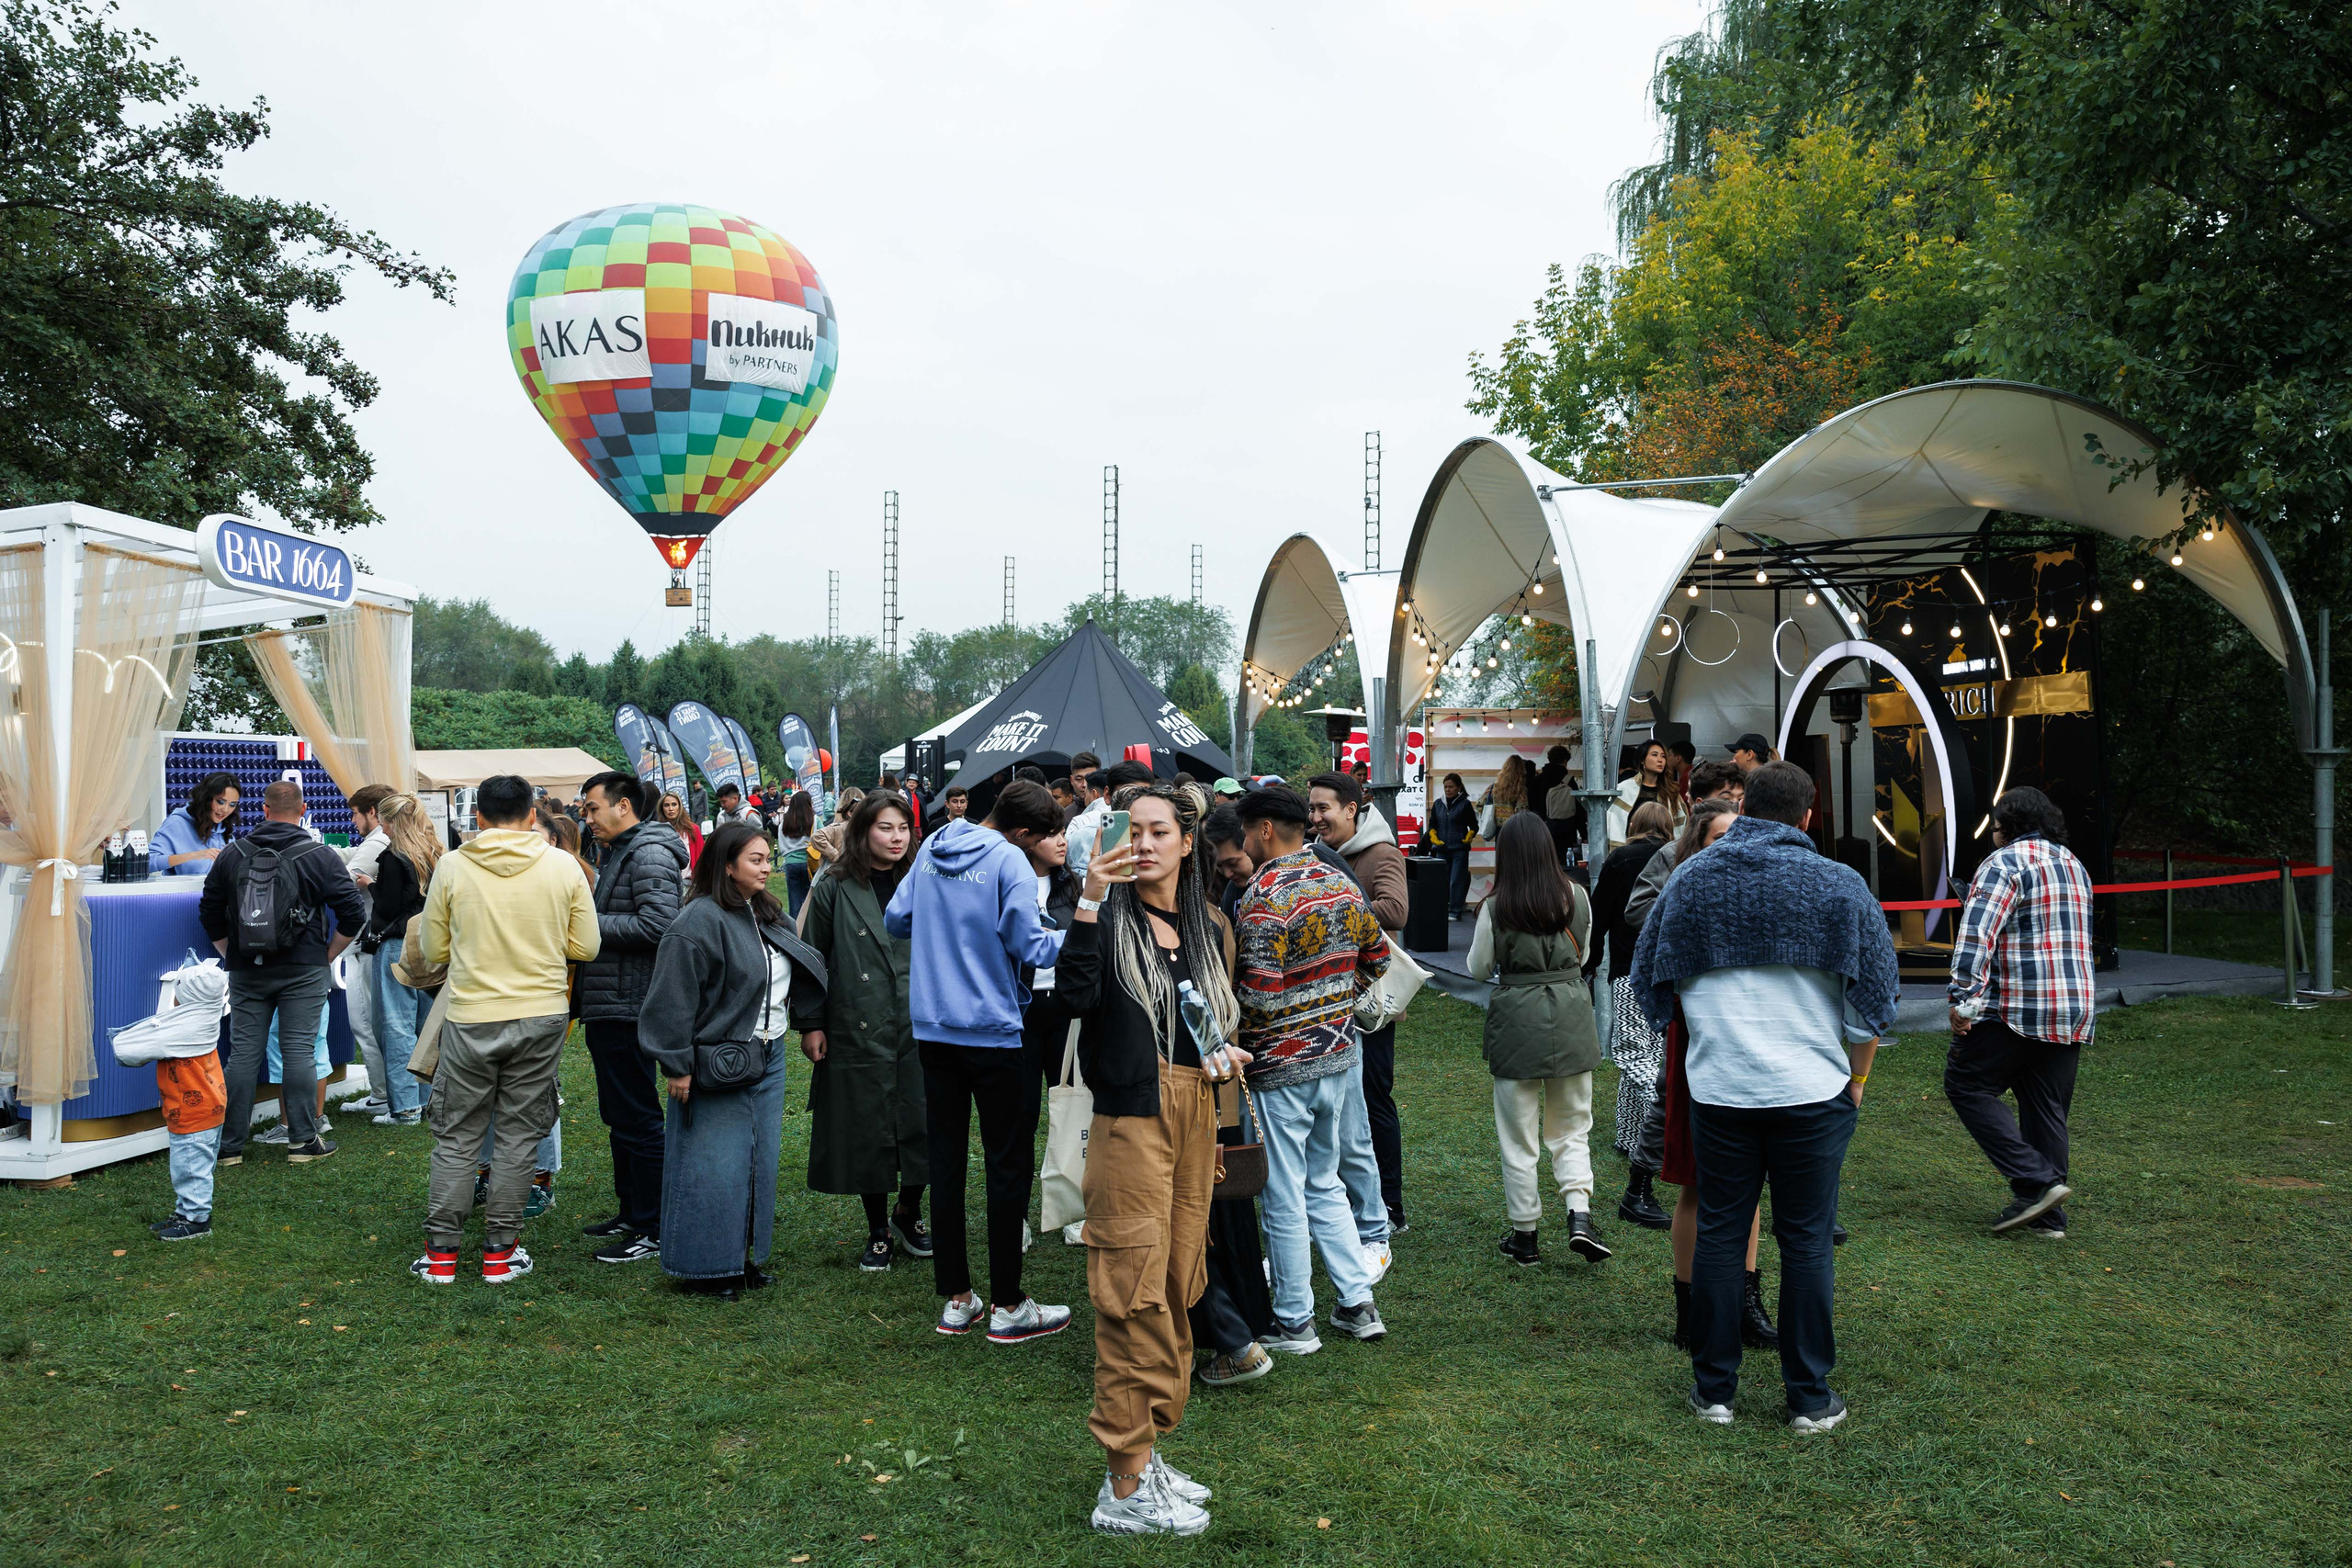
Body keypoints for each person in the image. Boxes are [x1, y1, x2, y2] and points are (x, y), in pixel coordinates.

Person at [1630, 761, 1896, 1432]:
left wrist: (1700, 1021)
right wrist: (1854, 1074)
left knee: (1722, 1229)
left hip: (1720, 1086)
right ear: (1809, 817)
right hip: (1813, 1086)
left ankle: (1713, 1390)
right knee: (1806, 1238)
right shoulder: (1840, 884)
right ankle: (1810, 1397)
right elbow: (1874, 1002)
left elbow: (1647, 980)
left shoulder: (1691, 878)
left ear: (1743, 808)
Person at [1057, 782, 1251, 1536]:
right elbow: (1070, 1000)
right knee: (1132, 1290)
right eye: (1130, 829)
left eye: (1156, 831)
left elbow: (1200, 1020)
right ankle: (1124, 1483)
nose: (1141, 842)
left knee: (1176, 1282)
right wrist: (1086, 899)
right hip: (1132, 1121)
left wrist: (1219, 1051)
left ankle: (1147, 1451)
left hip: (1194, 1112)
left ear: (1184, 842)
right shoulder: (1104, 921)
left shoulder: (1205, 927)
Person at [884, 780, 1071, 1342]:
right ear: (1020, 832)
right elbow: (1032, 945)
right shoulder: (1009, 860)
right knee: (1006, 1164)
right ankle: (1010, 1306)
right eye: (1045, 837)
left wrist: (944, 936)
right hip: (993, 1031)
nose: (1048, 846)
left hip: (935, 1027)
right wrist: (1088, 934)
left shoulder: (936, 844)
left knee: (945, 1161)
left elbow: (897, 919)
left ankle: (958, 1299)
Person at [409, 773, 599, 1286]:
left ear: (478, 817)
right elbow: (586, 947)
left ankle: (441, 1253)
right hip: (541, 1016)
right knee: (518, 1136)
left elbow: (432, 953)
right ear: (533, 815)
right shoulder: (563, 866)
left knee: (457, 1135)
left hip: (471, 1015)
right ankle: (500, 1251)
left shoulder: (451, 865)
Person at [1231, 784, 1390, 1353]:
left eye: (1249, 832)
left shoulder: (1261, 898)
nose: (1246, 842)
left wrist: (1241, 1043)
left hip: (1281, 1067)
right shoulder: (1342, 881)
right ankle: (1356, 1303)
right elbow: (1378, 960)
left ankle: (1295, 1319)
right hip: (1339, 1056)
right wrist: (1334, 1006)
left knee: (1283, 1193)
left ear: (1266, 829)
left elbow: (1259, 1001)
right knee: (1325, 1183)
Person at [639, 822, 826, 1298]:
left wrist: (809, 1023)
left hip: (769, 1054)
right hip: (714, 1060)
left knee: (757, 1161)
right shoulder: (697, 920)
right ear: (727, 865)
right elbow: (670, 999)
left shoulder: (766, 912)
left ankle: (743, 1259)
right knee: (711, 1164)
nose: (768, 867)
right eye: (756, 860)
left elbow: (796, 969)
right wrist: (677, 1064)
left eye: (768, 858)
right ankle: (708, 1268)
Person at [1945, 785, 2092, 1238]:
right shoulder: (2073, 864)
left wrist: (1962, 998)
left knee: (1967, 1084)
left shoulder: (2003, 863)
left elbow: (1977, 935)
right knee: (2045, 1105)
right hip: (2071, 1005)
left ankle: (2037, 1183)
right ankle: (2048, 1218)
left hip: (2017, 1004)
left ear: (2004, 825)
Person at [199, 780, 368, 1168]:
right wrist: (326, 955)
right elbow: (353, 913)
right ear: (303, 810)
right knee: (299, 1053)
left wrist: (233, 953)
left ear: (264, 809)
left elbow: (209, 911)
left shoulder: (232, 853)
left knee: (242, 1056)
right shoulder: (320, 855)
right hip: (303, 968)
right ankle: (302, 1142)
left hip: (247, 969)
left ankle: (229, 1148)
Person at [797, 790, 929, 1271]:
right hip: (856, 1020)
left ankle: (908, 1213)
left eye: (902, 828)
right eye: (884, 828)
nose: (895, 838)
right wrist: (811, 1022)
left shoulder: (925, 878)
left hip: (922, 1021)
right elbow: (813, 957)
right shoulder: (834, 883)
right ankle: (877, 1229)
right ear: (862, 830)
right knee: (865, 1123)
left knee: (923, 1119)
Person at [1471, 811, 1607, 1265]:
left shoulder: (1495, 906)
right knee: (1572, 1128)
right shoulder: (1578, 898)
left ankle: (1525, 1234)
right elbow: (1584, 956)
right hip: (1570, 1013)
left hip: (1516, 1021)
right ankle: (1579, 1215)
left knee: (1518, 1136)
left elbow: (1476, 967)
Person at [576, 771, 689, 1265]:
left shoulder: (649, 852)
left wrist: (584, 924)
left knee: (639, 1118)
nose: (587, 818)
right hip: (610, 1002)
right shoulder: (623, 850)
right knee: (620, 1114)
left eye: (593, 808)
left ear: (624, 806)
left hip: (630, 1005)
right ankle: (632, 1212)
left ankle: (654, 1227)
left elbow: (660, 925)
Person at [1307, 772, 1409, 1236]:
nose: (1316, 818)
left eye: (1323, 808)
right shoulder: (1314, 851)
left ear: (1351, 809)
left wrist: (1336, 904)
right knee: (1339, 1108)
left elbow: (1397, 910)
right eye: (1311, 809)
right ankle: (1349, 1200)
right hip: (1328, 999)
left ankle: (1390, 1206)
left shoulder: (1381, 852)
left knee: (1372, 1101)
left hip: (1370, 1002)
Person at [1586, 800, 1678, 1229]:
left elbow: (1600, 912)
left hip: (1629, 970)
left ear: (1635, 824)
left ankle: (1664, 1108)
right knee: (1650, 1049)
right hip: (1669, 970)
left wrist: (1594, 957)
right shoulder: (1681, 856)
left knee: (1633, 1054)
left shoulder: (1621, 857)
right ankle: (1628, 1136)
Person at [362, 793, 442, 1129]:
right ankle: (425, 1100)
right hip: (429, 944)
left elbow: (389, 907)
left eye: (382, 819)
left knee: (396, 1026)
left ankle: (406, 1106)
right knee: (426, 1027)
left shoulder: (394, 858)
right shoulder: (433, 850)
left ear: (391, 821)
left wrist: (371, 886)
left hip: (396, 945)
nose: (380, 825)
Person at [339, 784, 394, 1118]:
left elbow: (345, 879)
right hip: (380, 941)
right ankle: (388, 1092)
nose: (353, 820)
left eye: (356, 814)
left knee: (366, 1021)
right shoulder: (387, 841)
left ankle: (382, 1094)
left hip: (366, 942)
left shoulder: (377, 841)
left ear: (372, 812)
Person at [1066, 760, 1151, 885]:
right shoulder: (1079, 838)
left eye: (1144, 796)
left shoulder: (1155, 841)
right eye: (1126, 795)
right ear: (1107, 795)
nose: (1135, 803)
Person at [150, 771, 241, 874]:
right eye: (220, 802)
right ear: (206, 799)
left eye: (232, 805)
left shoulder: (224, 831)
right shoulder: (176, 824)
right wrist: (194, 856)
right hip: (184, 891)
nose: (225, 809)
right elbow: (148, 862)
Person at [1423, 773, 1477, 919]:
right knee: (1443, 881)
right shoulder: (1438, 803)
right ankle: (1444, 908)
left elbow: (1474, 825)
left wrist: (1470, 835)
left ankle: (1455, 911)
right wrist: (1433, 835)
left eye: (1451, 787)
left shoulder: (1465, 804)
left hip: (1459, 849)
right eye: (1446, 787)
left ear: (1458, 787)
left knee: (1456, 881)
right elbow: (1433, 823)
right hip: (1441, 849)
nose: (1448, 790)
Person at [1609, 741, 1683, 848]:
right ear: (1642, 760)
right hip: (1631, 851)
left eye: (1663, 756)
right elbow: (1615, 825)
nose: (1660, 760)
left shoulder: (1670, 791)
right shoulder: (1624, 789)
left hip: (1663, 853)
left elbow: (1681, 828)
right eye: (1654, 755)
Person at [775, 790, 818, 916]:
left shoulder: (784, 822)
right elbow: (820, 839)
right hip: (809, 862)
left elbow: (781, 840)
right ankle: (808, 927)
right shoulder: (814, 819)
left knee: (794, 900)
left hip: (790, 862)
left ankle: (795, 929)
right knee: (810, 899)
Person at [657, 790, 703, 868]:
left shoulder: (693, 830)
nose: (671, 809)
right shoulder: (657, 831)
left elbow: (703, 856)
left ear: (680, 807)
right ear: (662, 808)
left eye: (674, 804)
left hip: (690, 878)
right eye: (666, 805)